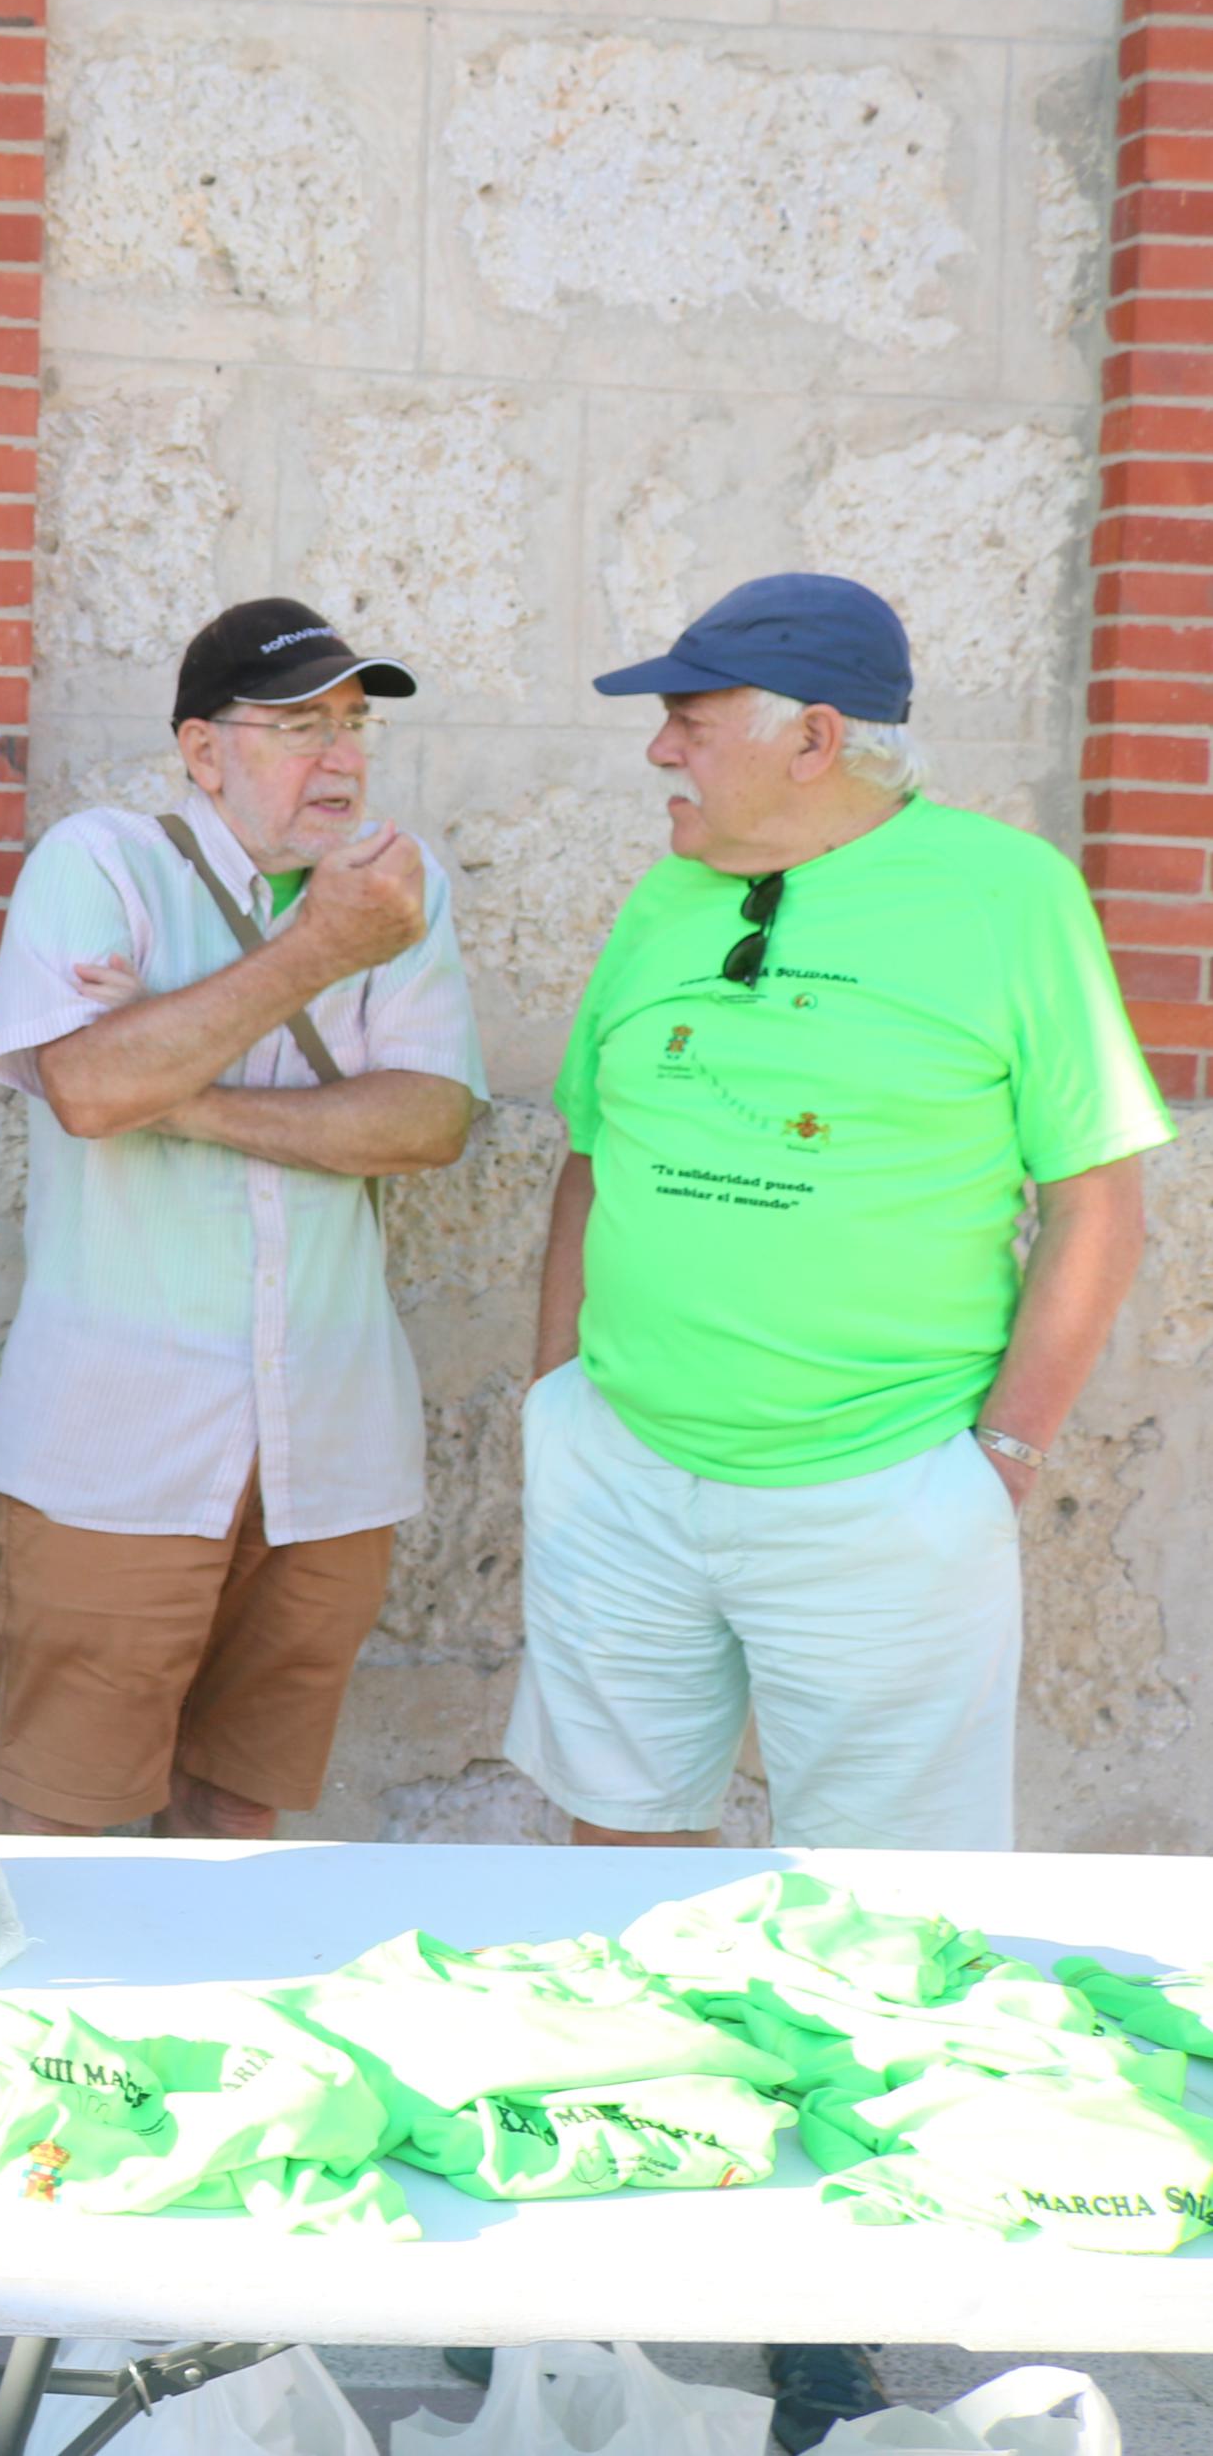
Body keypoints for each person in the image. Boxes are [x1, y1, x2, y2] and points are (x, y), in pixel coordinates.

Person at [516, 582, 1166, 2450]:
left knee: (877, 1918)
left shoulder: (1003, 897)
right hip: (626, 1469)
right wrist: (557, 1397)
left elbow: (1095, 1198)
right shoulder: (661, 895)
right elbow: (586, 1155)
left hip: (882, 1488)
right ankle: (625, 2254)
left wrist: (1006, 1453)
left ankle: (831, 2316)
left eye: (688, 715)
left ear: (814, 736)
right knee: (614, 1851)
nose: (655, 747)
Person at [0, 598, 484, 1840]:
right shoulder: (99, 862)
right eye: (300, 723)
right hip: (118, 1448)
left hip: (329, 1450)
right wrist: (316, 954)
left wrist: (175, 1086)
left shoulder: (395, 888)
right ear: (204, 751)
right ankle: (59, 2041)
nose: (344, 755)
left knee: (236, 1817)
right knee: (63, 1824)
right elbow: (88, 1089)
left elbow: (426, 1123)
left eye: (355, 724)